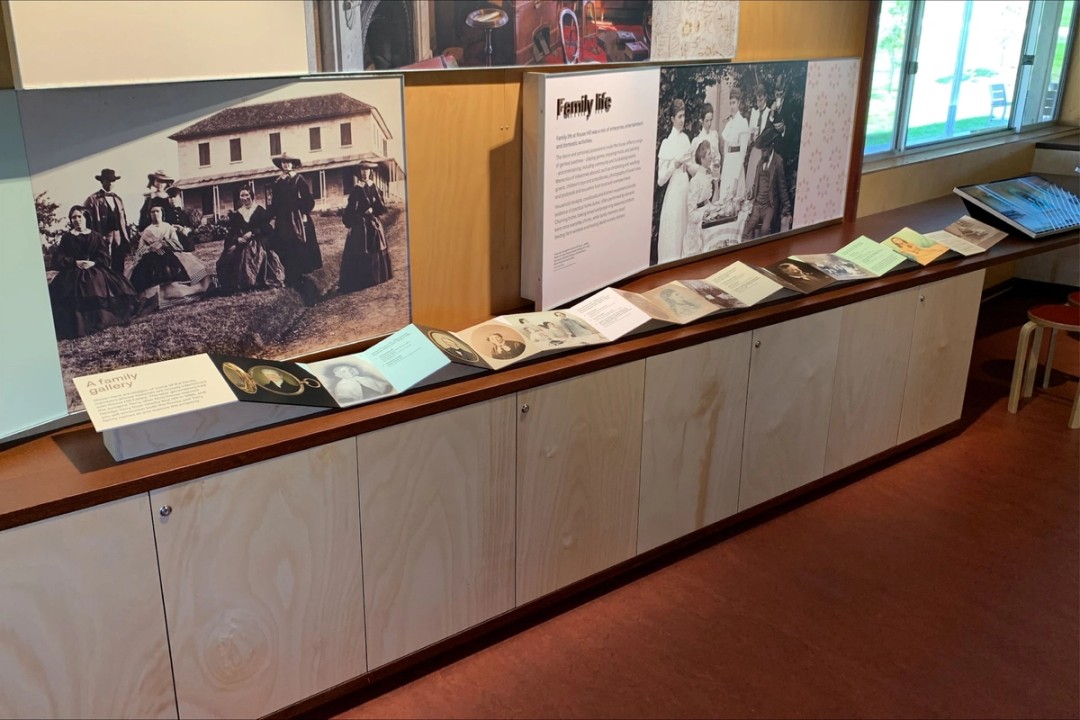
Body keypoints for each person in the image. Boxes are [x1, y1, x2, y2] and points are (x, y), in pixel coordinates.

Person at [47, 205, 137, 340]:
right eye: (73, 217)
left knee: (94, 281)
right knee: (70, 289)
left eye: (79, 216)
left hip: (94, 268)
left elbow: (105, 257)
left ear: (85, 218)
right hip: (73, 271)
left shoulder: (96, 236)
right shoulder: (67, 238)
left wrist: (93, 263)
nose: (77, 220)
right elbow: (58, 258)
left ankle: (100, 319)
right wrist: (75, 262)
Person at [128, 205, 213, 304]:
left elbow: (177, 244)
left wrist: (163, 243)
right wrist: (150, 248)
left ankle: (181, 291)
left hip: (168, 254)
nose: (155, 214)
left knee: (177, 268)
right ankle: (157, 295)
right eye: (152, 212)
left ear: (162, 214)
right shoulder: (147, 231)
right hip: (151, 257)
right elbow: (140, 250)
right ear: (149, 215)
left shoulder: (167, 227)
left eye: (157, 211)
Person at [268, 153, 322, 289]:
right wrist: (267, 216)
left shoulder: (298, 179)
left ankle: (300, 275)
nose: (286, 165)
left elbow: (308, 200)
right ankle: (289, 275)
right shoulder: (278, 181)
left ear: (292, 164)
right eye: (283, 162)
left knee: (297, 243)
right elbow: (275, 203)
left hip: (296, 217)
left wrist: (303, 211)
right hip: (282, 219)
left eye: (288, 162)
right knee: (284, 244)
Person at [216, 187, 286, 293]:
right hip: (242, 241)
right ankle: (235, 283)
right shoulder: (238, 214)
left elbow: (266, 228)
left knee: (251, 251)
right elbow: (233, 231)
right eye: (242, 195)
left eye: (246, 195)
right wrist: (238, 239)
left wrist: (252, 232)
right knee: (229, 254)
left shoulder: (259, 210)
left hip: (259, 240)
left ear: (252, 196)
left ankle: (253, 281)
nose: (244, 198)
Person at [339, 161, 392, 293]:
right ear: (359, 172)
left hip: (373, 223)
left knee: (376, 246)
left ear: (370, 172)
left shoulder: (374, 187)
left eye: (367, 170)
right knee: (360, 248)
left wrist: (373, 209)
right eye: (362, 170)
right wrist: (353, 219)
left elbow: (381, 207)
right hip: (360, 224)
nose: (364, 173)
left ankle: (377, 277)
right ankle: (362, 280)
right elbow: (350, 208)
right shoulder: (356, 189)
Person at [656, 98, 691, 264]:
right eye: (679, 116)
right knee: (674, 235)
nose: (682, 120)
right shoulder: (667, 143)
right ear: (672, 119)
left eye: (684, 116)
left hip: (686, 191)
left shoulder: (686, 139)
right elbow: (660, 180)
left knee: (686, 233)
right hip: (675, 195)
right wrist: (673, 165)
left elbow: (690, 166)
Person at [742, 135, 790, 242]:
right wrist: (750, 193)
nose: (762, 154)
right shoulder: (760, 162)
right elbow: (756, 184)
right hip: (758, 205)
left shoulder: (778, 162)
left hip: (769, 206)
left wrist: (786, 207)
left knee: (765, 230)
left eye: (764, 151)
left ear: (771, 147)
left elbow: (782, 187)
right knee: (746, 231)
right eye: (761, 151)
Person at [83, 168, 131, 276]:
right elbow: (86, 219)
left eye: (112, 181)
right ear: (102, 181)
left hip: (118, 234)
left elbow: (124, 219)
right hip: (102, 234)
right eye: (107, 180)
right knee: (104, 260)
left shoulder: (118, 199)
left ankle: (119, 282)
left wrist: (125, 235)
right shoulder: (93, 199)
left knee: (118, 260)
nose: (110, 183)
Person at [716, 88, 750, 214]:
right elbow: (726, 148)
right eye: (730, 103)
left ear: (739, 103)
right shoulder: (729, 123)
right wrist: (725, 168)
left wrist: (736, 178)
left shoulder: (742, 123)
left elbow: (742, 153)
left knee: (734, 203)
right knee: (724, 200)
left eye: (734, 102)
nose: (732, 106)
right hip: (728, 164)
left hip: (736, 164)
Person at [683, 140, 715, 258]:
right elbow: (691, 214)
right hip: (696, 228)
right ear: (702, 158)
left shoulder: (708, 175)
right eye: (709, 154)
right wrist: (703, 215)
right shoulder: (695, 181)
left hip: (707, 215)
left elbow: (708, 201)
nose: (711, 157)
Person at [744, 84, 772, 194]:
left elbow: (769, 134)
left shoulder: (769, 113)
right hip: (755, 150)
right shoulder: (754, 113)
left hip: (764, 151)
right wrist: (752, 137)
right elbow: (749, 137)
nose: (759, 103)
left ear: (765, 97)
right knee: (751, 179)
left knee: (761, 180)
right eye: (757, 100)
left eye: (761, 100)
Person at [327, 363, 392, 402]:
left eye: (350, 370)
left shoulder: (364, 378)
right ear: (340, 374)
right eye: (344, 371)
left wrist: (385, 388)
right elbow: (342, 398)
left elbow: (382, 385)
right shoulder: (341, 385)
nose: (349, 372)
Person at [166, 186, 197, 252]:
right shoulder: (165, 214)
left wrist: (188, 229)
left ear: (179, 198)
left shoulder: (186, 213)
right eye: (170, 198)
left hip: (186, 243)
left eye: (175, 197)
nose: (172, 200)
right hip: (173, 244)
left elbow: (193, 227)